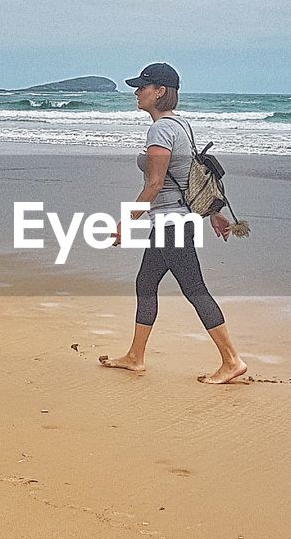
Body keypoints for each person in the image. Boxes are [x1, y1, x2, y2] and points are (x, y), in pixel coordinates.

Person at [99, 62, 248, 384]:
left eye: (142, 87)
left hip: (172, 225)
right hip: (172, 222)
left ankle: (232, 360)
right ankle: (135, 357)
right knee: (145, 283)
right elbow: (190, 176)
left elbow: (154, 183)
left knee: (194, 289)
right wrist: (213, 212)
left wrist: (127, 221)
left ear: (160, 91)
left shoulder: (162, 130)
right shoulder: (181, 126)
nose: (136, 92)